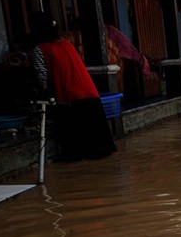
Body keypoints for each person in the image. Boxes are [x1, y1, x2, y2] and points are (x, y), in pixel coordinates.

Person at [28, 12, 116, 161]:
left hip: (71, 101)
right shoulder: (67, 44)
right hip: (91, 96)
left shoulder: (39, 50)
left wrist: (43, 95)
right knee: (100, 152)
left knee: (76, 154)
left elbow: (42, 80)